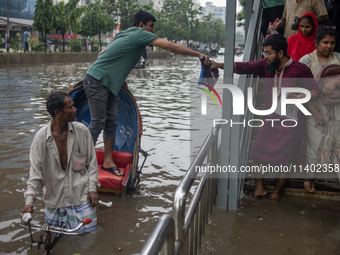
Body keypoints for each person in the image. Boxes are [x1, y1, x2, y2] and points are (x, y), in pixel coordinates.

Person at [83, 10, 209, 177]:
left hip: (109, 83)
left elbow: (102, 54)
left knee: (111, 122)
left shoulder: (125, 33)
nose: (153, 30)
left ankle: (107, 162)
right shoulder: (140, 33)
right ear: (142, 25)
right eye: (151, 26)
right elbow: (171, 46)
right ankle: (82, 163)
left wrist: (118, 78)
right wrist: (199, 54)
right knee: (98, 122)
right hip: (97, 81)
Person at [211, 34, 319, 200]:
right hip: (269, 119)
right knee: (256, 154)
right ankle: (259, 189)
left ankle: (276, 194)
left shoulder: (300, 70)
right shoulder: (266, 66)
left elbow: (315, 91)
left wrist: (300, 96)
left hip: (292, 124)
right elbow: (243, 66)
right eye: (264, 53)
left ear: (280, 53)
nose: (265, 57)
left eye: (268, 53)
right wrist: (216, 64)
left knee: (284, 162)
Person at [21, 91, 100, 233]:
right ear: (58, 112)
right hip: (54, 200)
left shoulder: (82, 132)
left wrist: (92, 189)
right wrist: (29, 203)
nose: (75, 109)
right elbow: (35, 174)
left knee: (89, 240)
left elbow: (92, 165)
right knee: (51, 240)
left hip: (81, 197)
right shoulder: (40, 138)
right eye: (70, 107)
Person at [299, 26, 340, 192]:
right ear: (316, 43)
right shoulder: (305, 61)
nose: (329, 46)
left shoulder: (338, 58)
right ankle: (309, 177)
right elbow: (300, 91)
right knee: (315, 146)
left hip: (337, 110)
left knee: (338, 146)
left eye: (332, 43)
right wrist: (314, 111)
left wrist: (335, 82)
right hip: (314, 109)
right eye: (325, 42)